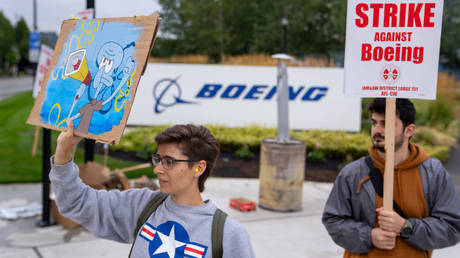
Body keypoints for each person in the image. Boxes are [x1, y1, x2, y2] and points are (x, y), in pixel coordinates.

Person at [50, 121, 255, 258]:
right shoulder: (142, 205)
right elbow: (75, 203)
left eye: (169, 162)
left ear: (198, 168)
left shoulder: (227, 233)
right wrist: (63, 151)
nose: (157, 169)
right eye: (158, 159)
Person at [322, 98, 460, 257]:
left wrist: (406, 227)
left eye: (385, 124)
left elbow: (452, 228)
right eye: (374, 123)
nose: (377, 130)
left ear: (409, 130)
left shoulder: (433, 173)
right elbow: (333, 220)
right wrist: (369, 236)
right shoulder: (353, 173)